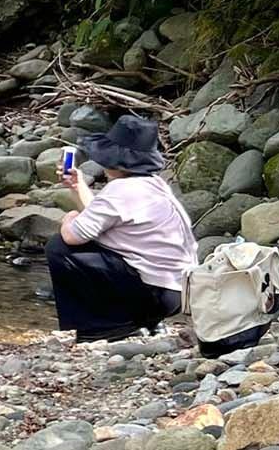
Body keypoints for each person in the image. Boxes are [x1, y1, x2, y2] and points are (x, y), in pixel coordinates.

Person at [48, 115, 194, 344]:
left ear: (117, 162)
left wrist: (69, 218)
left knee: (59, 248)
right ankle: (144, 322)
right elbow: (98, 217)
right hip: (177, 292)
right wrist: (77, 186)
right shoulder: (154, 184)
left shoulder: (121, 190)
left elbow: (73, 236)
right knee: (99, 249)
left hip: (154, 293)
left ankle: (106, 328)